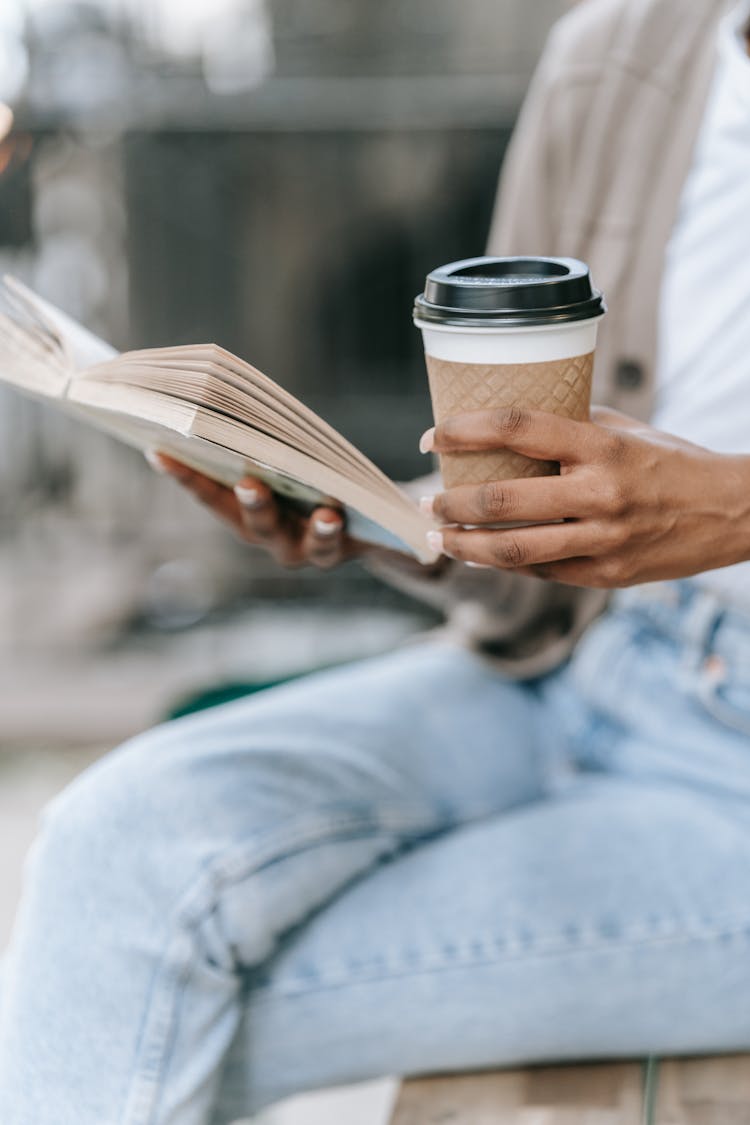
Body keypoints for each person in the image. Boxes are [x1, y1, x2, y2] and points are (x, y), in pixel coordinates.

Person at [2, 0, 749, 1121]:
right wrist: (363, 511)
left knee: (123, 997)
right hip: (580, 661)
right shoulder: (624, 53)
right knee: (112, 846)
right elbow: (531, 459)